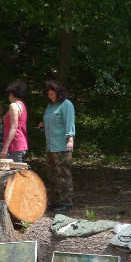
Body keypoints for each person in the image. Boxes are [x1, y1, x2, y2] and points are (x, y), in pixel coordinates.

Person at [39, 80, 76, 211]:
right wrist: (43, 124)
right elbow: (50, 121)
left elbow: (69, 123)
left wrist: (70, 139)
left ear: (58, 92)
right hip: (50, 146)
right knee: (52, 175)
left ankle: (66, 202)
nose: (50, 97)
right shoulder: (50, 106)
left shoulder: (66, 104)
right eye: (48, 94)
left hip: (62, 146)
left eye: (52, 94)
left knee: (63, 175)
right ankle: (54, 202)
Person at [0, 80, 28, 162]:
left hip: (14, 145)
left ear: (11, 94)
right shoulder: (22, 105)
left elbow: (14, 127)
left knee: (14, 170)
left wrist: (5, 147)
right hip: (21, 144)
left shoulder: (13, 106)